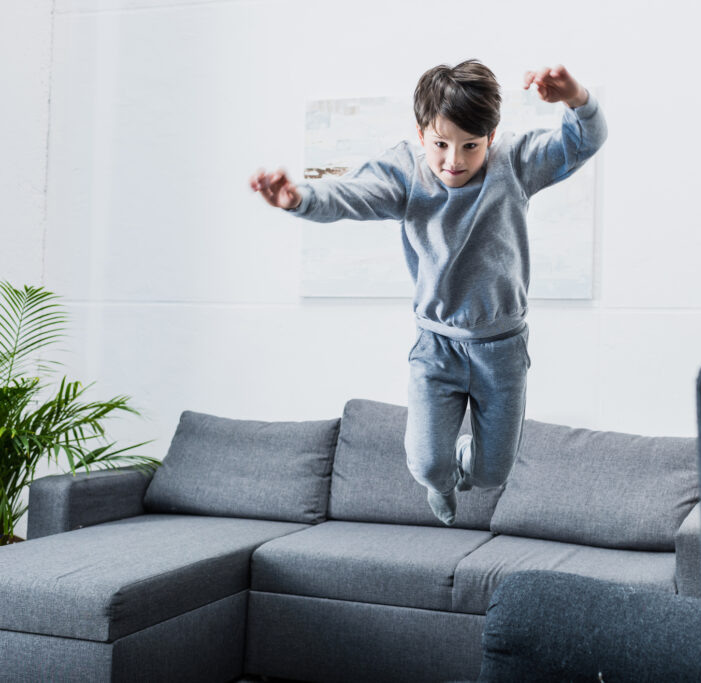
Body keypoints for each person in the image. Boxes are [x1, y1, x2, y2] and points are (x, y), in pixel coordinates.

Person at [250, 60, 607, 525]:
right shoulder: (406, 174)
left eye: (470, 147)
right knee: (424, 464)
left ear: (491, 137)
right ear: (421, 136)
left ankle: (464, 460)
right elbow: (350, 194)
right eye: (440, 145)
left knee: (493, 473)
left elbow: (583, 141)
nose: (454, 161)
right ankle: (441, 478)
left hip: (501, 348)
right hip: (436, 346)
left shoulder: (514, 165)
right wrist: (299, 199)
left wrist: (576, 97)